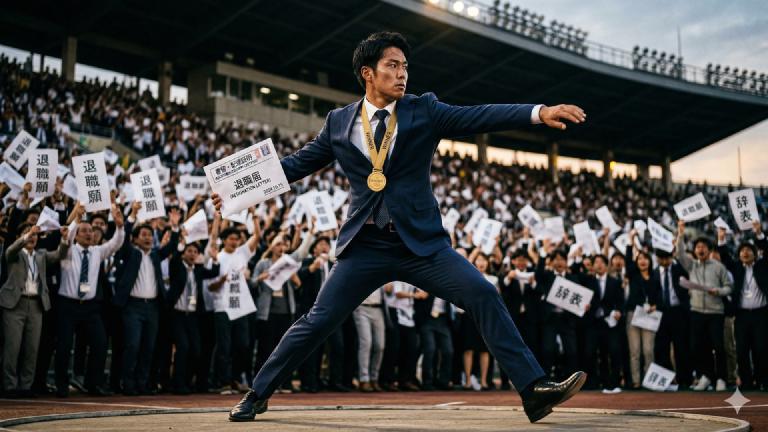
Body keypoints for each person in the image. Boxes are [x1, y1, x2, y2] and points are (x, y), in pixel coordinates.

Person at [227, 31, 587, 424]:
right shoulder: (339, 122)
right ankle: (258, 393)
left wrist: (538, 112)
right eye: (392, 66)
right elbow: (297, 163)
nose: (402, 74)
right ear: (368, 72)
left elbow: (478, 115)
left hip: (422, 246)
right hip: (365, 246)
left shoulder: (424, 110)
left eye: (405, 67)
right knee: (317, 321)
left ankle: (533, 390)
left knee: (483, 292)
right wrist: (234, 193)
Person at [1, 224, 68, 397]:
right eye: (28, 234)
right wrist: (26, 235)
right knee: (12, 347)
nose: (32, 237)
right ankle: (9, 386)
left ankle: (26, 386)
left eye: (34, 235)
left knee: (32, 348)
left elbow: (60, 254)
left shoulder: (41, 255)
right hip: (15, 304)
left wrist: (65, 238)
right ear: (20, 236)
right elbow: (10, 250)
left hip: (36, 305)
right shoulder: (14, 254)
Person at [676, 220, 732, 391]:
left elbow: (729, 287)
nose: (700, 249)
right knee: (699, 346)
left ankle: (721, 378)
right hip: (697, 311)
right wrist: (680, 233)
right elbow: (679, 254)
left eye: (703, 247)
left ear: (709, 250)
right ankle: (707, 376)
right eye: (697, 247)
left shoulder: (719, 267)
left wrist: (718, 291)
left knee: (718, 346)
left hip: (715, 312)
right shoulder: (691, 266)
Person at [716, 221, 768, 391]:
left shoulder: (762, 266)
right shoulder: (737, 268)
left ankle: (762, 380)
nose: (745, 253)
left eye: (748, 250)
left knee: (761, 348)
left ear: (755, 254)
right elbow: (724, 257)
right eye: (742, 251)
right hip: (742, 315)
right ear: (739, 255)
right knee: (742, 350)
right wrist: (721, 239)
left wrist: (759, 233)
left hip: (761, 314)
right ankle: (746, 381)